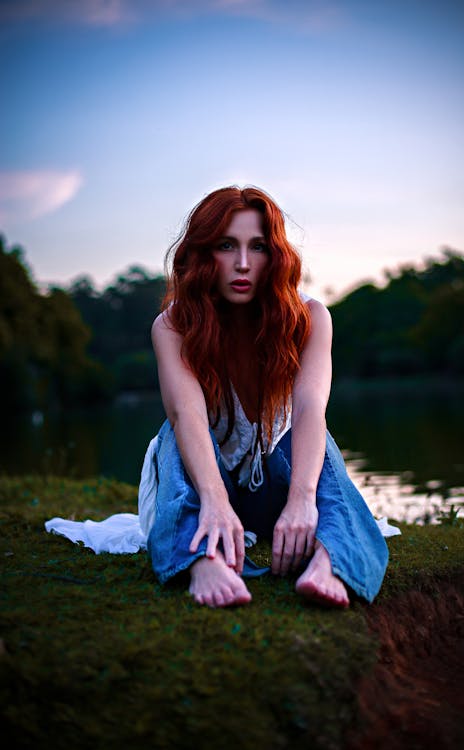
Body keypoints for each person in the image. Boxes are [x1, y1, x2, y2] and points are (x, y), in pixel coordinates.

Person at [146, 185, 389, 609]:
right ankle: (201, 557)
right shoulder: (172, 327)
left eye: (257, 247)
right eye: (226, 246)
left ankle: (332, 560)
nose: (242, 264)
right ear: (204, 253)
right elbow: (185, 415)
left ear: (274, 254)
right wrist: (216, 501)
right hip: (207, 489)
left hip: (279, 494)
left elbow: (312, 406)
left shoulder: (310, 318)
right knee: (171, 437)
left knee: (314, 440)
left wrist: (300, 501)